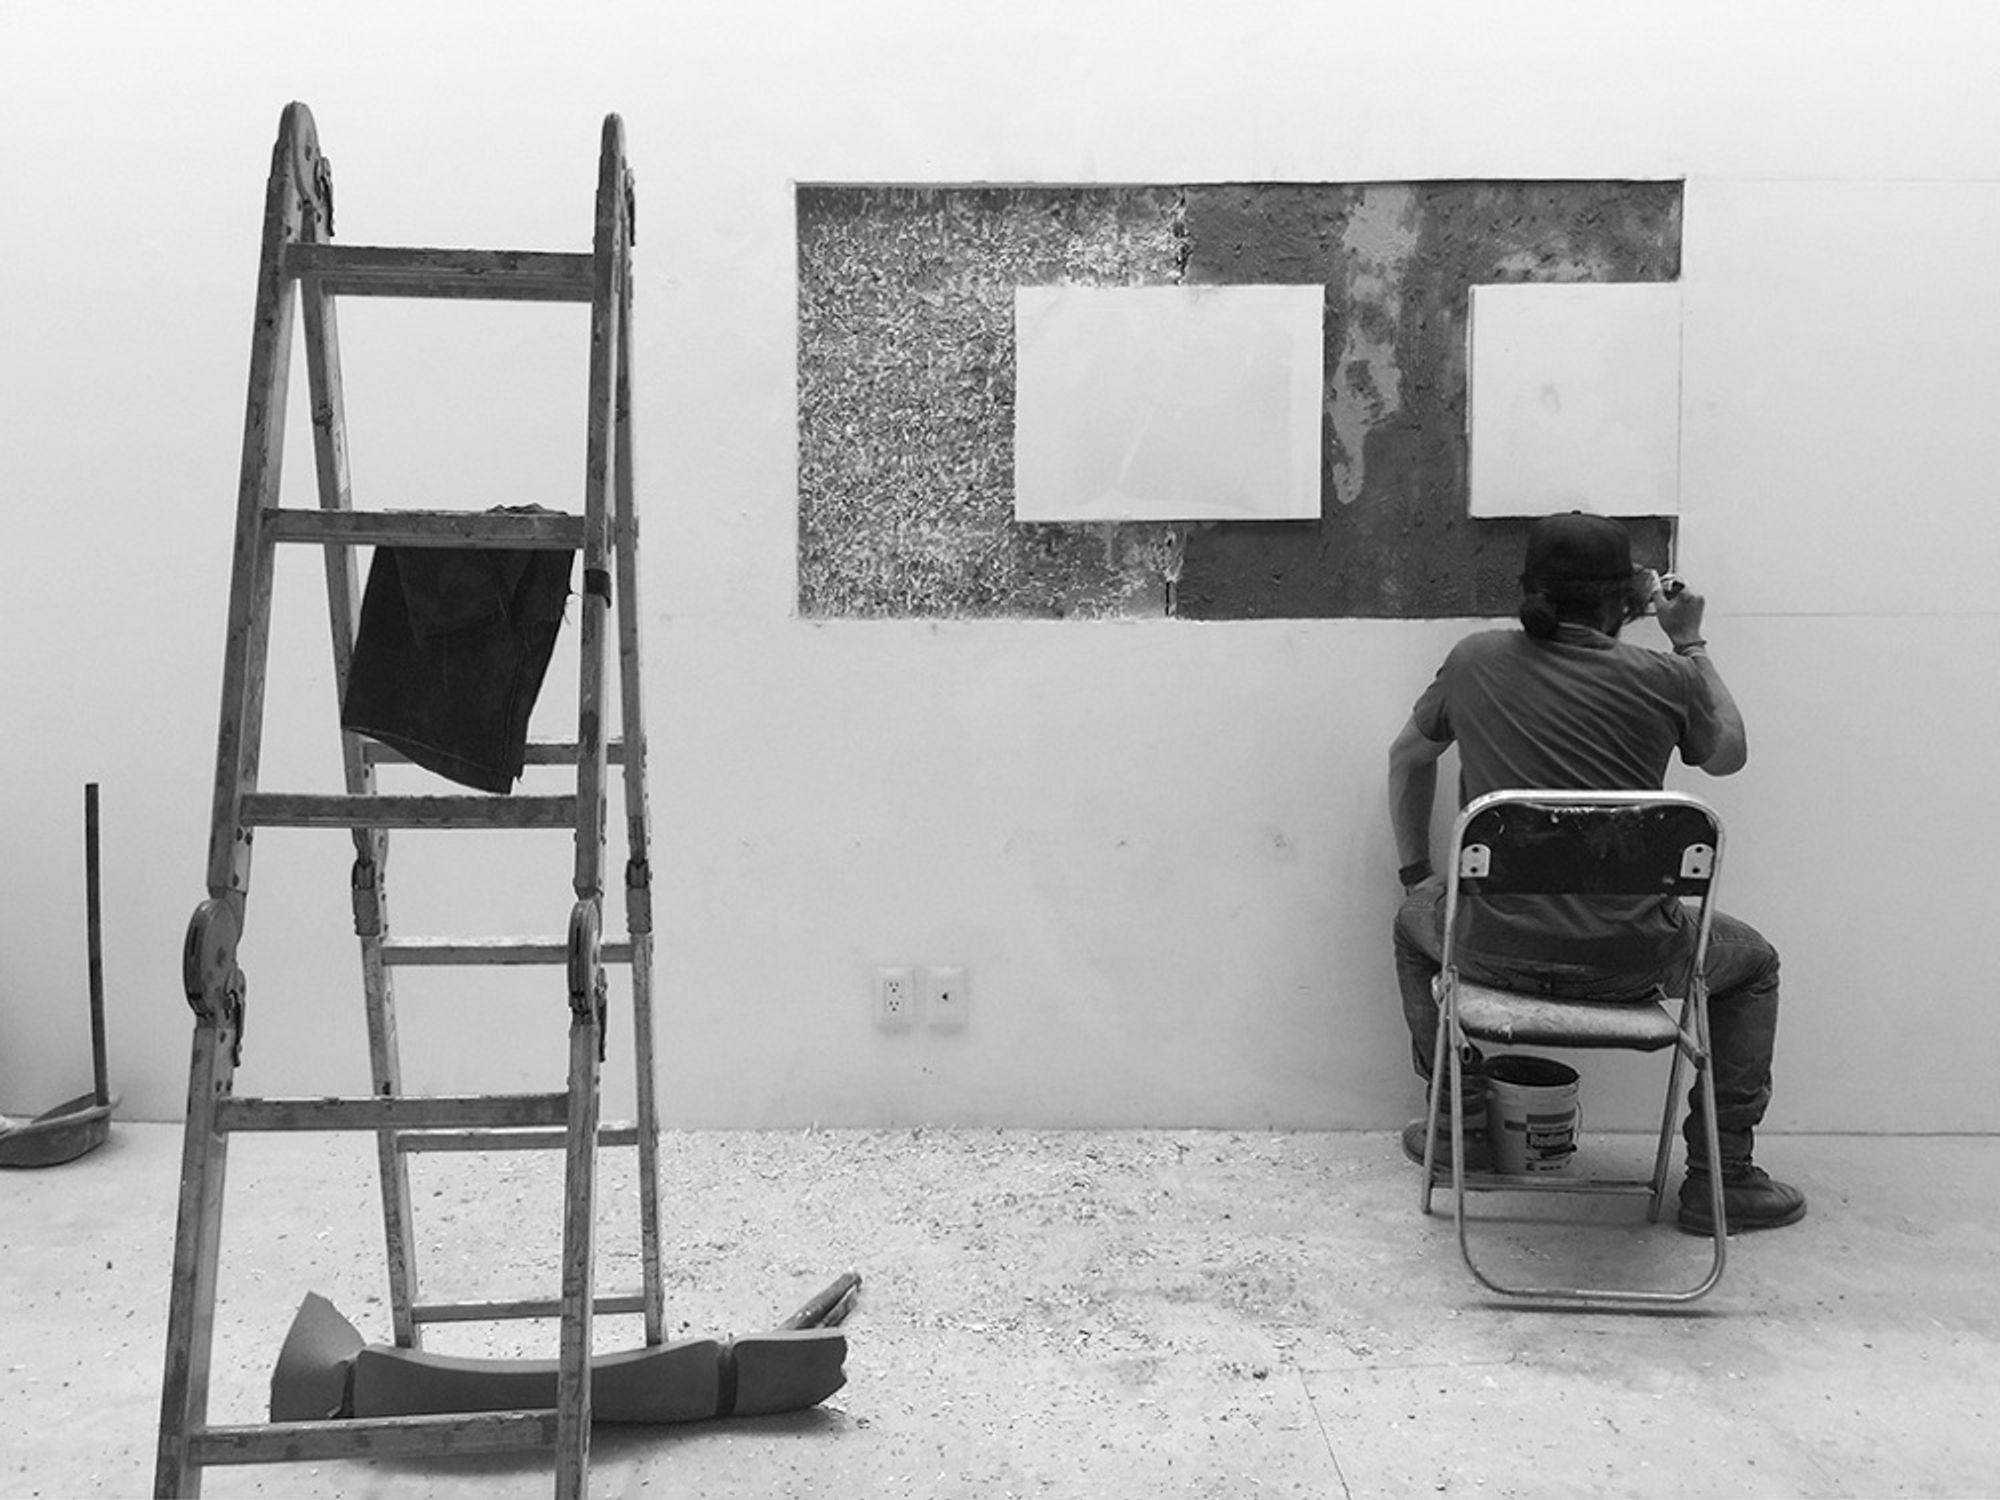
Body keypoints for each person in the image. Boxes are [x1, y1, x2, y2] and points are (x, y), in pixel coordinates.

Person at [1385, 511, 1805, 1234]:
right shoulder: (1667, 677)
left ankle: (1459, 1132)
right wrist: (1690, 640)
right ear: (1626, 601)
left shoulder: (1474, 661)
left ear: (1529, 590)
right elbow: (1729, 754)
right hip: (1631, 965)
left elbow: (1406, 758)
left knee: (1411, 921)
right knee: (1754, 964)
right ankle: (1723, 1178)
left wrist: (1418, 873)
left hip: (1489, 950)